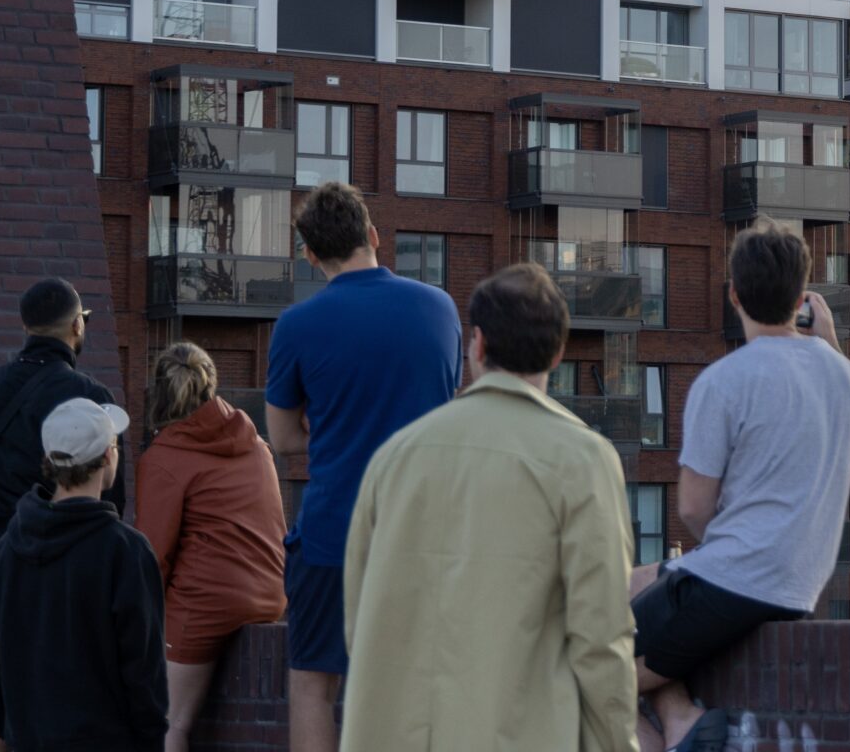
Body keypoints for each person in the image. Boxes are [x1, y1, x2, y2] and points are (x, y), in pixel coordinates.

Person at [344, 263, 637, 750]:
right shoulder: (584, 459)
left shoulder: (395, 455)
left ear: (476, 345)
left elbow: (359, 615)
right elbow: (602, 637)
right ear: (558, 352)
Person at [631, 219, 850, 752]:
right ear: (801, 297)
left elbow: (694, 509)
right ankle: (680, 719)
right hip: (797, 587)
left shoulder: (724, 380)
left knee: (579, 674)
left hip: (731, 582)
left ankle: (679, 729)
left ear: (734, 295)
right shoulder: (841, 375)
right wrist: (832, 344)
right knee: (620, 586)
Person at [263, 181, 460, 752]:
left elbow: (281, 438)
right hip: (424, 535)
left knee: (312, 687)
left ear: (310, 255)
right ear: (374, 236)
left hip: (334, 535)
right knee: (422, 685)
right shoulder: (439, 307)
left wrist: (331, 424)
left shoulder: (295, 326)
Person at [0, 277, 126, 752]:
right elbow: (112, 500)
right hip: (69, 573)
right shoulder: (90, 396)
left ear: (25, 325)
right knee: (67, 699)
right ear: (77, 327)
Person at [0, 397, 167, 751]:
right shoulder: (126, 552)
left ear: (49, 460)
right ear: (108, 456)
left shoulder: (0, 556)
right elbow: (145, 676)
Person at [135, 342, 287, 752]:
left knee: (167, 723)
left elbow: (153, 558)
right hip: (270, 595)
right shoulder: (256, 445)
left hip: (206, 604)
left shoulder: (165, 457)